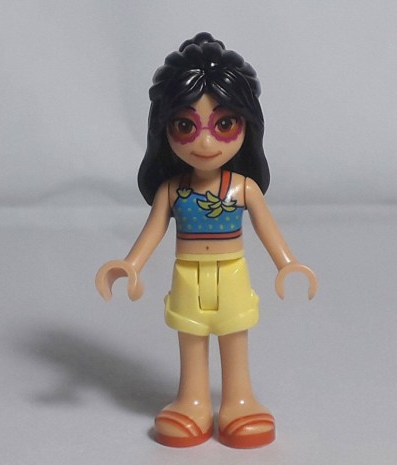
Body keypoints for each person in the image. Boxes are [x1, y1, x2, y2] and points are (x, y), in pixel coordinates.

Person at [95, 32, 317, 449]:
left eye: (224, 123)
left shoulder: (243, 188)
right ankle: (192, 403)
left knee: (234, 337)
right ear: (163, 129)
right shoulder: (172, 190)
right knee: (191, 339)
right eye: (186, 125)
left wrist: (287, 263)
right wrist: (130, 265)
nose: (205, 141)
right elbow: (153, 231)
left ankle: (239, 402)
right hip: (188, 276)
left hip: (231, 274)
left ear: (247, 125)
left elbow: (268, 230)